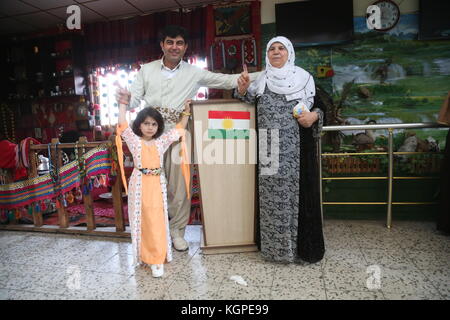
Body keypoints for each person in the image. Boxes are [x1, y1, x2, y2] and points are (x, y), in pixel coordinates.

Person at [129, 25, 259, 251]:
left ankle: (177, 232)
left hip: (180, 133)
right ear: (162, 45)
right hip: (150, 134)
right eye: (170, 42)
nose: (174, 47)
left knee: (180, 186)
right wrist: (123, 101)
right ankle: (153, 231)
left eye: (179, 43)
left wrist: (263, 75)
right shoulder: (146, 70)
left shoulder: (194, 72)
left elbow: (226, 81)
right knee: (150, 183)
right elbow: (133, 99)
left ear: (185, 47)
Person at [235, 36, 325, 263]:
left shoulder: (304, 78)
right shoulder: (260, 80)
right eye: (271, 49)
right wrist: (243, 90)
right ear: (267, 54)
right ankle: (274, 251)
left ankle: (298, 250)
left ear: (289, 53)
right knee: (271, 201)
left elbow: (321, 107)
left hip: (297, 151)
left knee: (297, 199)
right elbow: (246, 102)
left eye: (281, 48)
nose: (276, 52)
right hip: (268, 148)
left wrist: (314, 116)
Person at [116, 86, 191, 277]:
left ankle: (157, 259)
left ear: (158, 127)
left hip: (157, 184)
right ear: (139, 125)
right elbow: (122, 125)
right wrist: (123, 103)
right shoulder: (134, 141)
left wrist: (186, 112)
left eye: (154, 124)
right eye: (146, 123)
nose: (150, 127)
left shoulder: (161, 142)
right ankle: (145, 256)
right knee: (143, 220)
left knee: (157, 219)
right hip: (139, 184)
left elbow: (179, 130)